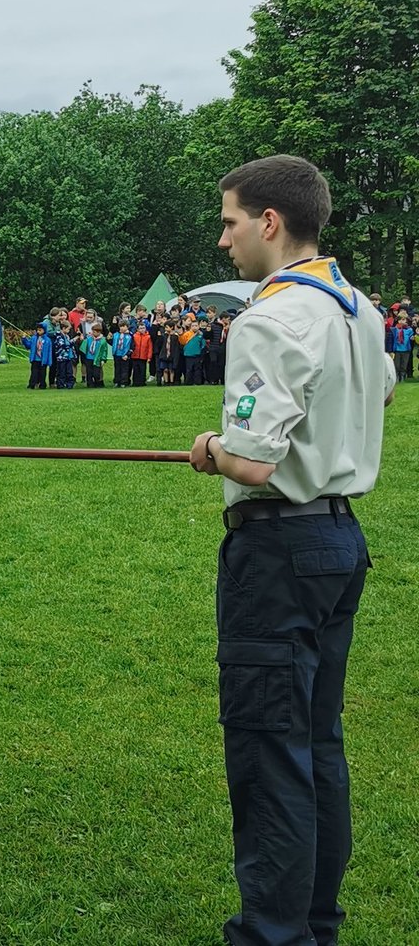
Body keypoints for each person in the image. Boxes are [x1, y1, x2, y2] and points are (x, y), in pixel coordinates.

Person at [189, 155, 394, 946]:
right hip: (340, 540)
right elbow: (379, 387)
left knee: (270, 754)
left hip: (279, 549)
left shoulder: (270, 318)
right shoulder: (358, 305)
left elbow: (253, 462)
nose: (223, 239)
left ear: (269, 223)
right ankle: (313, 923)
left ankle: (274, 935)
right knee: (316, 742)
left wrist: (212, 444)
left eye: (231, 221)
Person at [21, 323, 52, 389]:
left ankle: (42, 384)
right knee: (34, 373)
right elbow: (28, 345)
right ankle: (32, 384)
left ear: (44, 330)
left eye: (40, 330)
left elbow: (49, 351)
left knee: (42, 374)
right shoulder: (34, 338)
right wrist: (24, 339)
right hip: (35, 359)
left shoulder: (48, 340)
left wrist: (49, 361)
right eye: (37, 330)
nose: (38, 331)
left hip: (43, 360)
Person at [80, 322, 110, 387]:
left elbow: (104, 350)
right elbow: (84, 347)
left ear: (99, 332)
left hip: (97, 359)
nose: (94, 333)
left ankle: (97, 382)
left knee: (96, 372)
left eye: (95, 332)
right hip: (89, 357)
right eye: (93, 331)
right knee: (89, 372)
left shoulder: (102, 340)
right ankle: (90, 384)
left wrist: (103, 359)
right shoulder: (89, 338)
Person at [52, 322, 77, 389]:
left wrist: (74, 340)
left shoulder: (67, 336)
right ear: (63, 328)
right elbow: (63, 345)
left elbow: (69, 344)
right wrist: (73, 341)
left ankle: (69, 384)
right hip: (61, 357)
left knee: (69, 371)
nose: (69, 331)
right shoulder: (58, 336)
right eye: (68, 329)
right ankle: (60, 384)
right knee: (61, 372)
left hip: (68, 357)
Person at [389, 313, 412, 382]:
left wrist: (412, 338)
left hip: (406, 350)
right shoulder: (394, 329)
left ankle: (402, 376)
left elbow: (411, 338)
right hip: (397, 350)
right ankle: (396, 376)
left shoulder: (409, 330)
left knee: (404, 365)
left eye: (404, 320)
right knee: (396, 364)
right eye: (402, 320)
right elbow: (392, 339)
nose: (403, 321)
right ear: (398, 321)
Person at [130, 321, 153, 387]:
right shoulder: (134, 336)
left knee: (142, 370)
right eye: (140, 328)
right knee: (135, 370)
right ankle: (135, 382)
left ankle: (142, 382)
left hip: (143, 356)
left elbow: (150, 347)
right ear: (137, 329)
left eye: (143, 328)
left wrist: (149, 357)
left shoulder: (148, 337)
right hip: (135, 356)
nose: (142, 329)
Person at [110, 322, 133, 387]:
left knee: (124, 369)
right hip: (117, 354)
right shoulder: (116, 335)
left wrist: (127, 354)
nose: (122, 328)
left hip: (124, 355)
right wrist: (108, 339)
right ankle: (117, 381)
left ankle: (124, 382)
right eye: (121, 326)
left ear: (127, 327)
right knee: (117, 369)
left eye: (124, 326)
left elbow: (132, 346)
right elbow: (112, 343)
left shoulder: (130, 335)